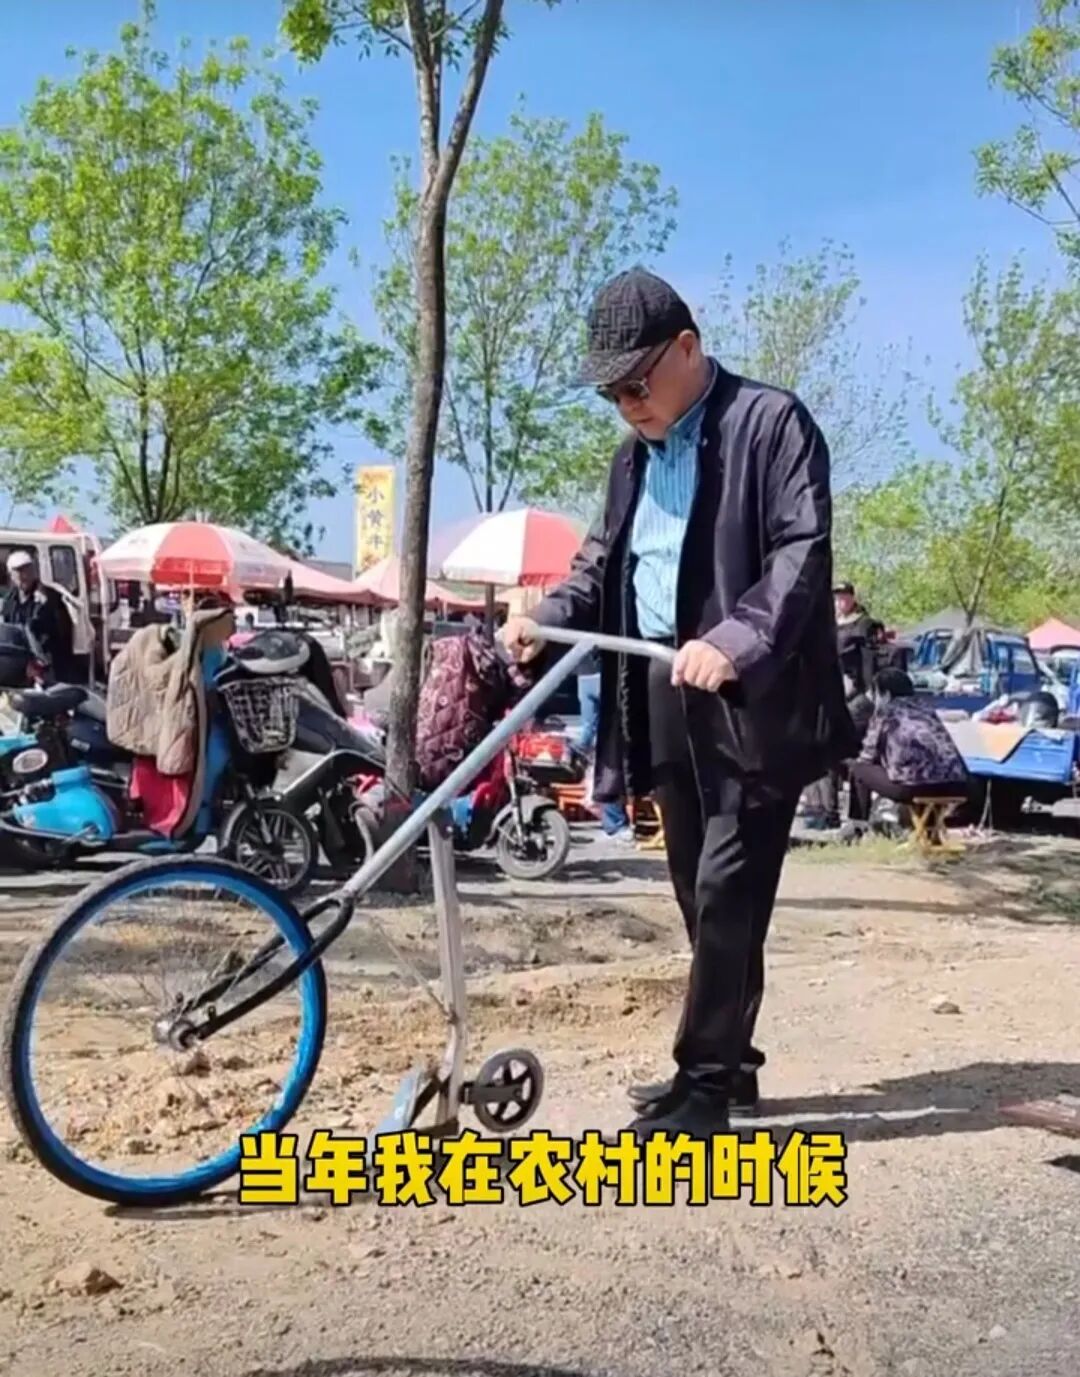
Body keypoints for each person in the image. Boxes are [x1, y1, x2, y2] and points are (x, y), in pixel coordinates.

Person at [501, 267, 856, 1138]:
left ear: (687, 349)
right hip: (659, 688)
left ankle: (702, 1083)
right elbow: (598, 567)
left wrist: (734, 641)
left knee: (731, 885)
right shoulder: (632, 460)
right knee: (698, 886)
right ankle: (732, 1062)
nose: (627, 404)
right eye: (611, 393)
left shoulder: (771, 425)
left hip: (750, 696)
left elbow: (801, 556)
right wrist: (545, 620)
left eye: (636, 383)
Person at [802, 581, 883, 829]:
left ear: (852, 598)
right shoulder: (829, 624)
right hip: (830, 692)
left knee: (839, 749)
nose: (840, 601)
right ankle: (822, 809)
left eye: (844, 596)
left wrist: (869, 693)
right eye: (837, 597)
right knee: (820, 746)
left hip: (857, 695)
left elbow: (869, 664)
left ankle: (847, 815)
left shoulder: (865, 625)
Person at [847, 669, 969, 830]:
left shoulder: (885, 712)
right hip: (954, 785)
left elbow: (867, 756)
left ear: (885, 694)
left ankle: (858, 825)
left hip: (912, 787)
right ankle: (928, 829)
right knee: (921, 775)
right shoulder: (927, 710)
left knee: (858, 769)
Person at [575, 649, 632, 842]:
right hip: (606, 672)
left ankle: (614, 823)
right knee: (611, 746)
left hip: (585, 673)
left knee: (590, 733)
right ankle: (616, 823)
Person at [1, 550, 75, 685]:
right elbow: (6, 626)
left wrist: (41, 661)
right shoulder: (9, 599)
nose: (23, 575)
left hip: (46, 664)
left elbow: (61, 632)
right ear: (11, 575)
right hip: (18, 662)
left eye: (27, 570)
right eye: (18, 571)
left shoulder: (48, 597)